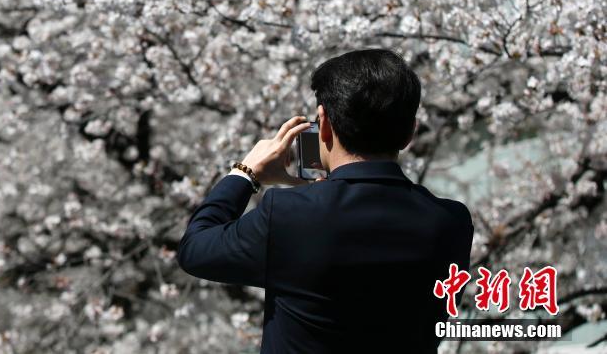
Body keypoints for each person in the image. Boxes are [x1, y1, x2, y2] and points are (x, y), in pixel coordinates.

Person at [176, 48, 474, 353]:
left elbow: (195, 249)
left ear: (325, 123)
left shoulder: (291, 215)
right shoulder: (451, 222)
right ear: (410, 133)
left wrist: (246, 173)